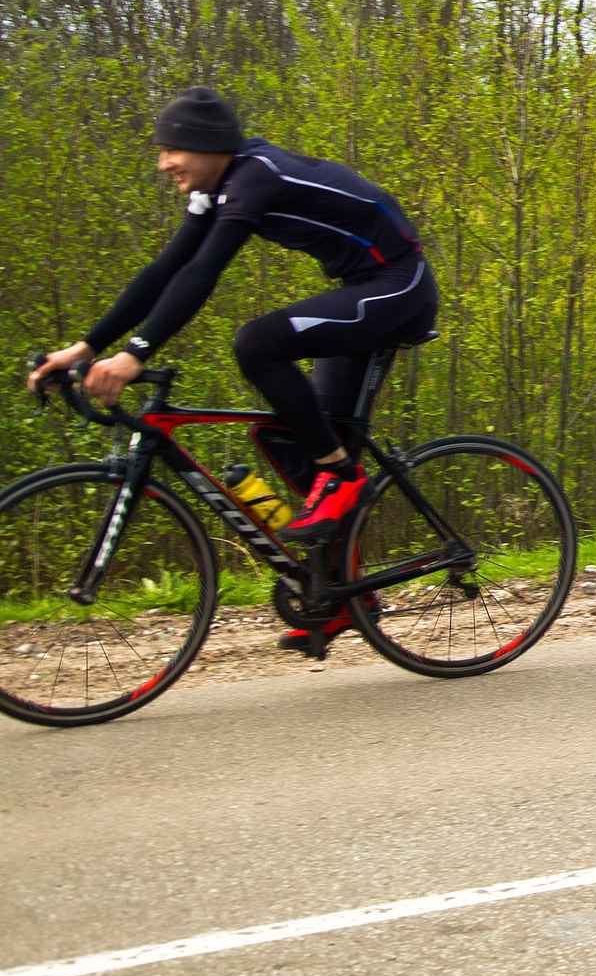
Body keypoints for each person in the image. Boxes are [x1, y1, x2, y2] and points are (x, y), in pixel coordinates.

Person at [24, 87, 439, 655]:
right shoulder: (215, 188)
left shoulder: (255, 177)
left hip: (399, 286)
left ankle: (343, 478)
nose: (163, 163)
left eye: (171, 150)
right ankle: (345, 591)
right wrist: (86, 347)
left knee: (258, 344)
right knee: (294, 435)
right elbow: (168, 269)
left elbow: (203, 274)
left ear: (207, 145)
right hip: (362, 287)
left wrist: (134, 354)